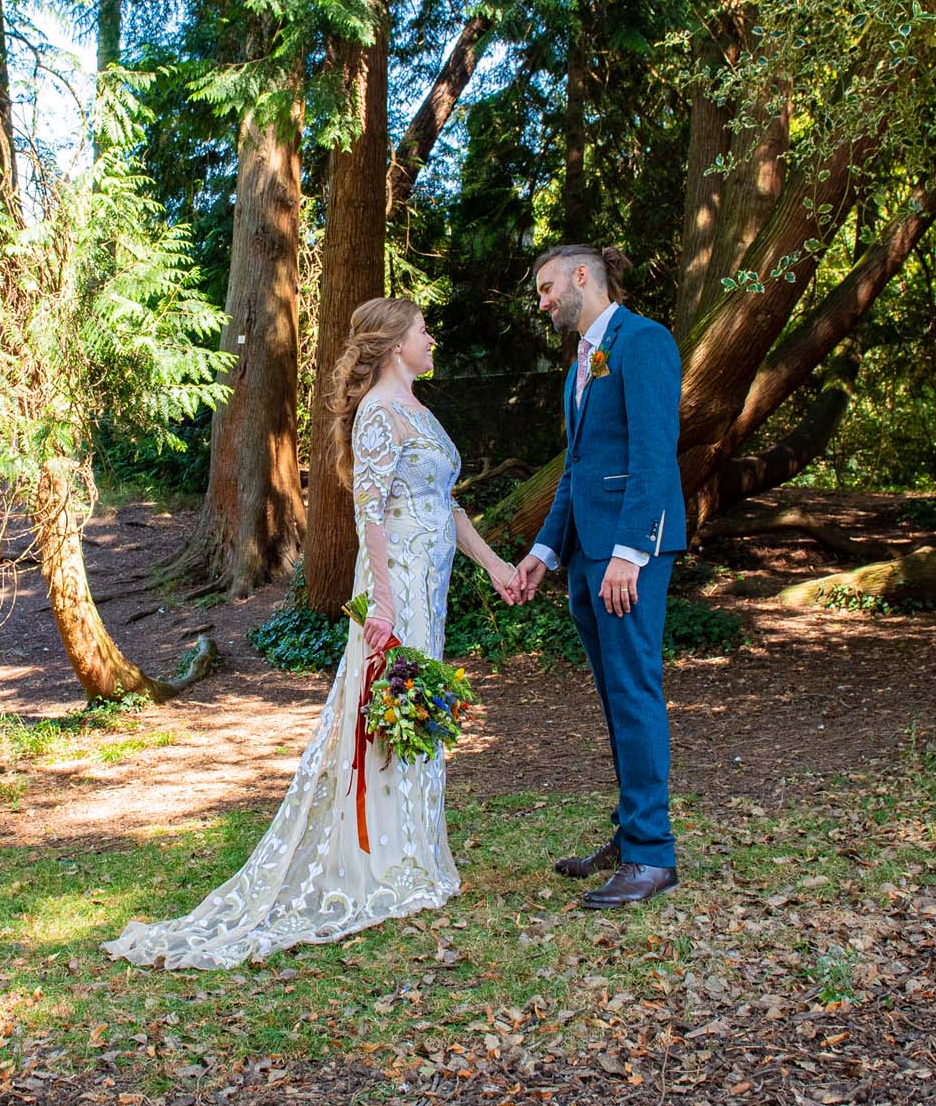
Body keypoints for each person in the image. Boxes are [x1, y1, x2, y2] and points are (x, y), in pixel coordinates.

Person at [104, 297, 518, 970]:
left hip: (430, 582)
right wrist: (383, 604)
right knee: (387, 709)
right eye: (422, 330)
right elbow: (370, 514)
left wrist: (496, 565)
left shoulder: (418, 409)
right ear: (394, 344)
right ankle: (380, 862)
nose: (431, 338)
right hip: (396, 582)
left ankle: (411, 851)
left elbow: (445, 505)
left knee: (413, 707)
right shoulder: (379, 414)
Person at [509, 244, 686, 909]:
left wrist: (629, 552)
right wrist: (544, 551)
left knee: (634, 691)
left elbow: (653, 453)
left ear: (582, 276)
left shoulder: (644, 341)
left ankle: (652, 854)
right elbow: (577, 469)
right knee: (616, 696)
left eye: (547, 287)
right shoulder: (581, 364)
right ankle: (631, 829)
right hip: (587, 556)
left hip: (627, 557)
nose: (543, 302)